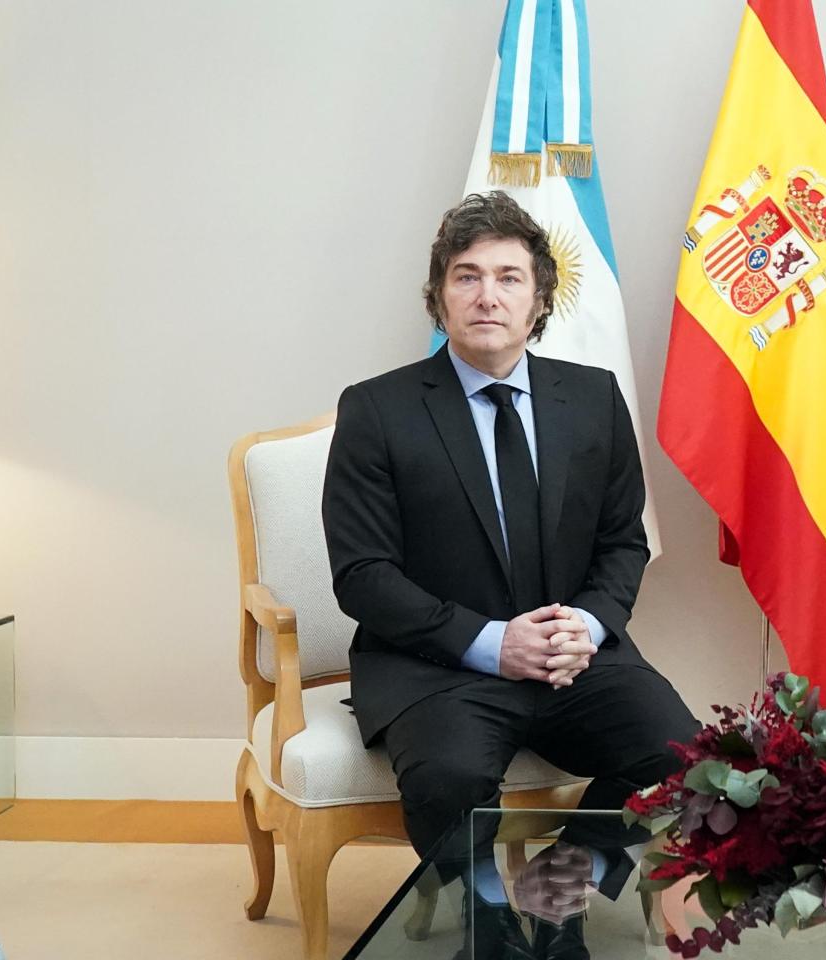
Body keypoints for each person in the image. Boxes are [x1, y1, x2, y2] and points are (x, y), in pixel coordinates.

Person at [323, 191, 699, 959]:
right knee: (448, 781)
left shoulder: (592, 399)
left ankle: (564, 893)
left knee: (684, 757)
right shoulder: (376, 410)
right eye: (465, 277)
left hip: (573, 661)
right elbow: (362, 574)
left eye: (508, 277)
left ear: (538, 301)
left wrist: (586, 627)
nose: (486, 295)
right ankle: (488, 920)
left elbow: (624, 543)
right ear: (438, 297)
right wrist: (492, 644)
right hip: (440, 668)